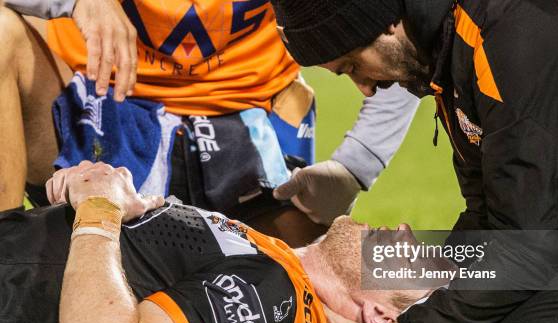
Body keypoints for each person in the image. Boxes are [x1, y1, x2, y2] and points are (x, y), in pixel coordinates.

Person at [269, 0, 558, 323]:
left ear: (384, 24)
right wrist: (435, 298)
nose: (365, 89)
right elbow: (493, 210)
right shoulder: (452, 46)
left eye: (353, 66)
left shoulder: (512, 29)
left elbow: (525, 241)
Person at [0, 0, 419, 248]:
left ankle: (480, 271)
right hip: (101, 106)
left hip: (249, 123)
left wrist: (355, 166)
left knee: (323, 284)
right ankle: (9, 268)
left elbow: (400, 25)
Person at [0, 161, 430, 323]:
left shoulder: (277, 298)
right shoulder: (276, 263)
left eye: (419, 263)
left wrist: (99, 205)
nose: (409, 231)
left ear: (380, 314)